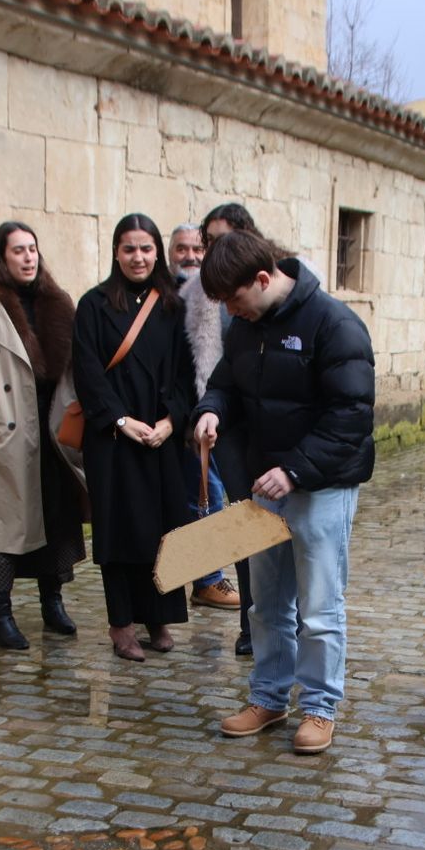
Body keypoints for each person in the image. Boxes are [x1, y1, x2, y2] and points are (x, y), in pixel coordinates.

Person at [194, 231, 375, 755]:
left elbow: (351, 415)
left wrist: (294, 471)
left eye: (234, 299)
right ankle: (269, 697)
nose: (231, 310)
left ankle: (319, 707)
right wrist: (210, 410)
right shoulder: (246, 327)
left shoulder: (334, 324)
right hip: (261, 486)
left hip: (319, 487)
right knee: (265, 606)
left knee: (319, 606)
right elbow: (226, 384)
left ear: (264, 279)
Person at [0, 222, 86, 650]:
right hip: (8, 432)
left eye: (32, 249)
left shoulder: (60, 302)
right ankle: (0, 614)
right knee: (0, 524)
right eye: (18, 251)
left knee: (57, 519)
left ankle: (53, 603)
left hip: (53, 430)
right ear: (1, 258)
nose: (28, 258)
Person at [73, 214, 195, 662]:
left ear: (157, 251)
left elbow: (186, 374)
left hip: (161, 436)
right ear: (116, 253)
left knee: (162, 529)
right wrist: (121, 421)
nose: (138, 257)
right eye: (129, 249)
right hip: (114, 439)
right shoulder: (94, 305)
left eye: (146, 248)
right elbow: (87, 373)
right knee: (119, 532)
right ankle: (121, 624)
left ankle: (157, 617)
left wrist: (172, 421)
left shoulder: (174, 306)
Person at [168, 222, 240, 613]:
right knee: (204, 498)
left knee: (212, 496)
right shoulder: (169, 298)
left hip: (217, 413)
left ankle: (206, 577)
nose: (190, 256)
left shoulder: (216, 294)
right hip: (185, 419)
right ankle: (207, 580)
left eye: (197, 249)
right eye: (182, 249)